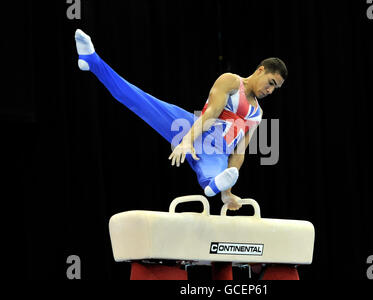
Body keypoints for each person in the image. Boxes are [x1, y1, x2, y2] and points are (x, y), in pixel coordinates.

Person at [75, 29, 287, 210]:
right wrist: (186, 140)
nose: (270, 90)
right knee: (140, 101)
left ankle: (215, 187)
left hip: (216, 150)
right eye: (270, 82)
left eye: (275, 88)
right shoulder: (231, 82)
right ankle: (92, 60)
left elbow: (239, 153)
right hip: (190, 126)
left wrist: (227, 193)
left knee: (216, 169)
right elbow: (211, 114)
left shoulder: (257, 115)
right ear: (260, 70)